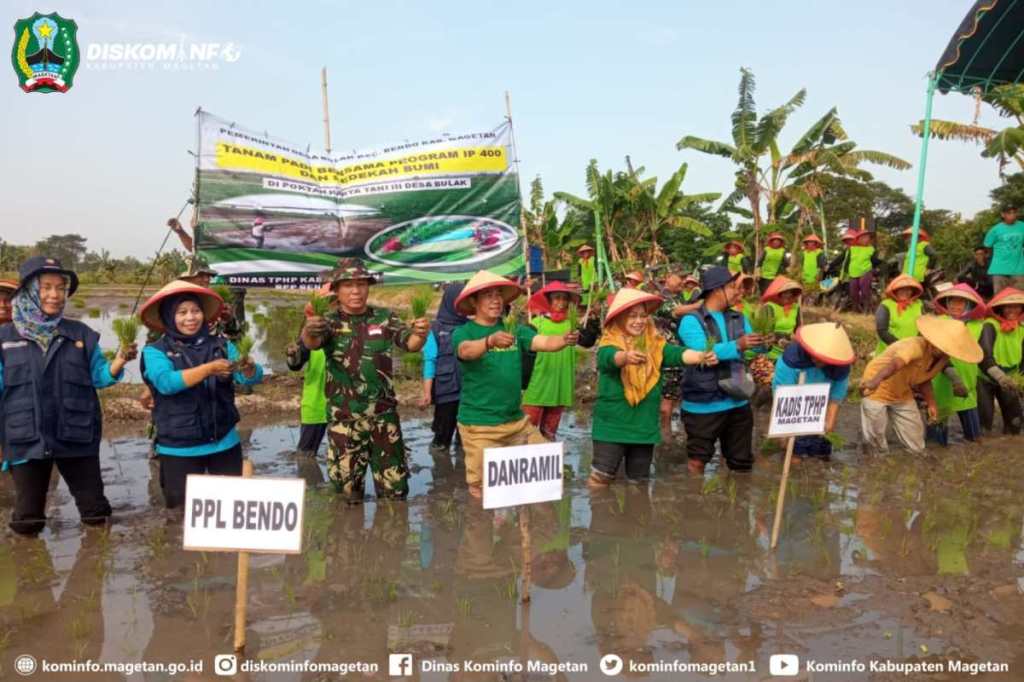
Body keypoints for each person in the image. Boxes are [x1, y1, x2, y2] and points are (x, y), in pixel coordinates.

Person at [0, 257, 137, 535]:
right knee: (28, 518)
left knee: (95, 510)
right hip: (25, 436)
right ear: (28, 290)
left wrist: (120, 360)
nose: (54, 295)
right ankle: (31, 572)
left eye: (60, 288)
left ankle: (97, 559)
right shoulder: (4, 337)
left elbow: (99, 375)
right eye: (46, 287)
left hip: (75, 433)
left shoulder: (81, 334)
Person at [301, 258, 429, 502]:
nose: (356, 291)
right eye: (348, 285)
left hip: (384, 419)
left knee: (395, 495)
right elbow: (310, 345)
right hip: (345, 422)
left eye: (361, 284)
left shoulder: (384, 317)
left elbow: (410, 344)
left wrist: (421, 333)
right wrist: (309, 331)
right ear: (336, 290)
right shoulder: (327, 322)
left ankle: (389, 538)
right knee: (347, 497)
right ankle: (350, 538)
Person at [452, 270, 578, 498]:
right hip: (480, 426)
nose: (496, 299)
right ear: (474, 301)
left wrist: (564, 340)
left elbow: (544, 342)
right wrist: (489, 341)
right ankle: (482, 528)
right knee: (482, 490)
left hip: (516, 423)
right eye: (488, 295)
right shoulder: (463, 332)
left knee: (545, 472)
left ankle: (526, 530)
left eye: (499, 294)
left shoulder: (514, 330)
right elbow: (465, 351)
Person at [139, 280, 263, 509]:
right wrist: (208, 369)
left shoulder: (222, 345)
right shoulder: (154, 351)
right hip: (178, 447)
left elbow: (251, 379)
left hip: (224, 443)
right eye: (182, 312)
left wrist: (248, 368)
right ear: (168, 316)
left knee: (228, 510)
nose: (191, 318)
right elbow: (166, 383)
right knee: (181, 516)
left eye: (196, 311)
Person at [589, 288, 715, 485]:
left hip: (644, 426)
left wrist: (701, 356)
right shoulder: (609, 342)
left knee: (639, 483)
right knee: (600, 480)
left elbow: (676, 354)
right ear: (620, 318)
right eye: (632, 316)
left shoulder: (654, 344)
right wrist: (625, 356)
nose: (639, 321)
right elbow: (608, 358)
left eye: (642, 316)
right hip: (612, 426)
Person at [678, 266, 764, 475]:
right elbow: (702, 352)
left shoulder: (739, 318)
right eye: (734, 287)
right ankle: (694, 503)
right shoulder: (691, 321)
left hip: (738, 400)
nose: (739, 292)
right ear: (718, 289)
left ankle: (736, 504)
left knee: (741, 462)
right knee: (698, 461)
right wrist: (738, 346)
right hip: (703, 403)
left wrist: (762, 343)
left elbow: (752, 350)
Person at [859, 316, 982, 455]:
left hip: (903, 390)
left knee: (916, 443)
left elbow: (924, 379)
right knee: (875, 439)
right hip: (877, 385)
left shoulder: (942, 358)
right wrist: (876, 380)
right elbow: (895, 364)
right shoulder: (915, 346)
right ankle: (876, 463)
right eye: (941, 345)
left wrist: (931, 404)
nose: (942, 350)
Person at [772, 322, 855, 460]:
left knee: (821, 453)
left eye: (822, 359)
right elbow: (783, 400)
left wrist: (828, 426)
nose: (816, 360)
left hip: (818, 404)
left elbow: (835, 399)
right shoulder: (792, 359)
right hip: (793, 400)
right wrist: (785, 436)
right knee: (792, 451)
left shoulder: (840, 368)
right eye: (814, 356)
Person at [522, 281, 580, 440]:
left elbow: (588, 340)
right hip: (538, 381)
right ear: (548, 301)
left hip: (560, 382)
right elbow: (525, 355)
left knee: (549, 432)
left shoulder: (573, 325)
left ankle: (548, 460)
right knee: (528, 431)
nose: (561, 303)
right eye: (556, 298)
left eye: (564, 299)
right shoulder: (535, 324)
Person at [929, 285, 985, 444]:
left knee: (974, 439)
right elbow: (934, 353)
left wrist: (999, 376)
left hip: (967, 382)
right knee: (936, 442)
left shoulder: (978, 326)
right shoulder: (938, 323)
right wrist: (955, 379)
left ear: (969, 305)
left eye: (960, 303)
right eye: (951, 302)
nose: (955, 306)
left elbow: (984, 356)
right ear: (946, 304)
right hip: (941, 381)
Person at [421, 282, 469, 456]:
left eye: (465, 302)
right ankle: (441, 474)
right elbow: (429, 361)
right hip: (446, 392)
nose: (462, 307)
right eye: (458, 302)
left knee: (466, 439)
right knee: (442, 438)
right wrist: (427, 393)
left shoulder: (470, 327)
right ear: (449, 302)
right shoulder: (435, 329)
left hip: (469, 392)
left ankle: (461, 478)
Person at [286, 283, 334, 458]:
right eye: (327, 302)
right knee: (305, 455)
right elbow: (295, 364)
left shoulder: (350, 327)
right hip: (317, 402)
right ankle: (308, 483)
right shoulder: (311, 329)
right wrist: (292, 354)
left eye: (335, 301)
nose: (332, 306)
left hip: (347, 404)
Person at [654, 273, 703, 434]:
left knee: (675, 394)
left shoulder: (680, 297)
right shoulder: (662, 298)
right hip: (666, 354)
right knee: (667, 396)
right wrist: (699, 305)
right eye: (678, 278)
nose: (682, 281)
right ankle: (665, 434)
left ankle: (673, 432)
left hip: (680, 353)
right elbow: (676, 311)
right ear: (667, 278)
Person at [977, 287, 1024, 435]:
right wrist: (1000, 377)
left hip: (1010, 378)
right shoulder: (990, 325)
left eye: (1016, 306)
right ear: (1000, 308)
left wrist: (1020, 381)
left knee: (1015, 423)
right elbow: (984, 357)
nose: (1012, 310)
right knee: (985, 425)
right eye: (1008, 306)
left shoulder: (1022, 328)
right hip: (987, 378)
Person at [875, 274, 924, 354]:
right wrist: (900, 346)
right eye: (901, 289)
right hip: (889, 352)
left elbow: (923, 326)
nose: (905, 292)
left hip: (912, 351)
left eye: (908, 289)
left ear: (913, 291)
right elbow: (882, 331)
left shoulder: (918, 304)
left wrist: (915, 345)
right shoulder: (886, 305)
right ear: (895, 290)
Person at [760, 276, 803, 361]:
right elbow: (766, 335)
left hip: (789, 354)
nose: (789, 295)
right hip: (771, 355)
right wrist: (786, 339)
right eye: (786, 292)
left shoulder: (796, 308)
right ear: (779, 293)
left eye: (792, 293)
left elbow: (798, 330)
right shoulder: (769, 307)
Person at [983, 204, 1024, 293]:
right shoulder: (995, 230)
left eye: (1014, 212)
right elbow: (987, 246)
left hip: (1018, 269)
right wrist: (997, 256)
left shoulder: (1022, 226)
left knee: (1019, 298)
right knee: (1000, 299)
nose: (1012, 215)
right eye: (1009, 213)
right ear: (1003, 214)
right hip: (999, 269)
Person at [846, 230, 881, 313]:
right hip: (853, 272)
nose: (866, 239)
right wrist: (845, 272)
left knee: (865, 291)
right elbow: (847, 261)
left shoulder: (871, 249)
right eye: (863, 237)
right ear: (858, 239)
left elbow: (874, 261)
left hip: (865, 271)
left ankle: (866, 309)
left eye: (867, 237)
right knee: (853, 292)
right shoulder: (852, 249)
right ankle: (855, 309)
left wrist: (879, 266)